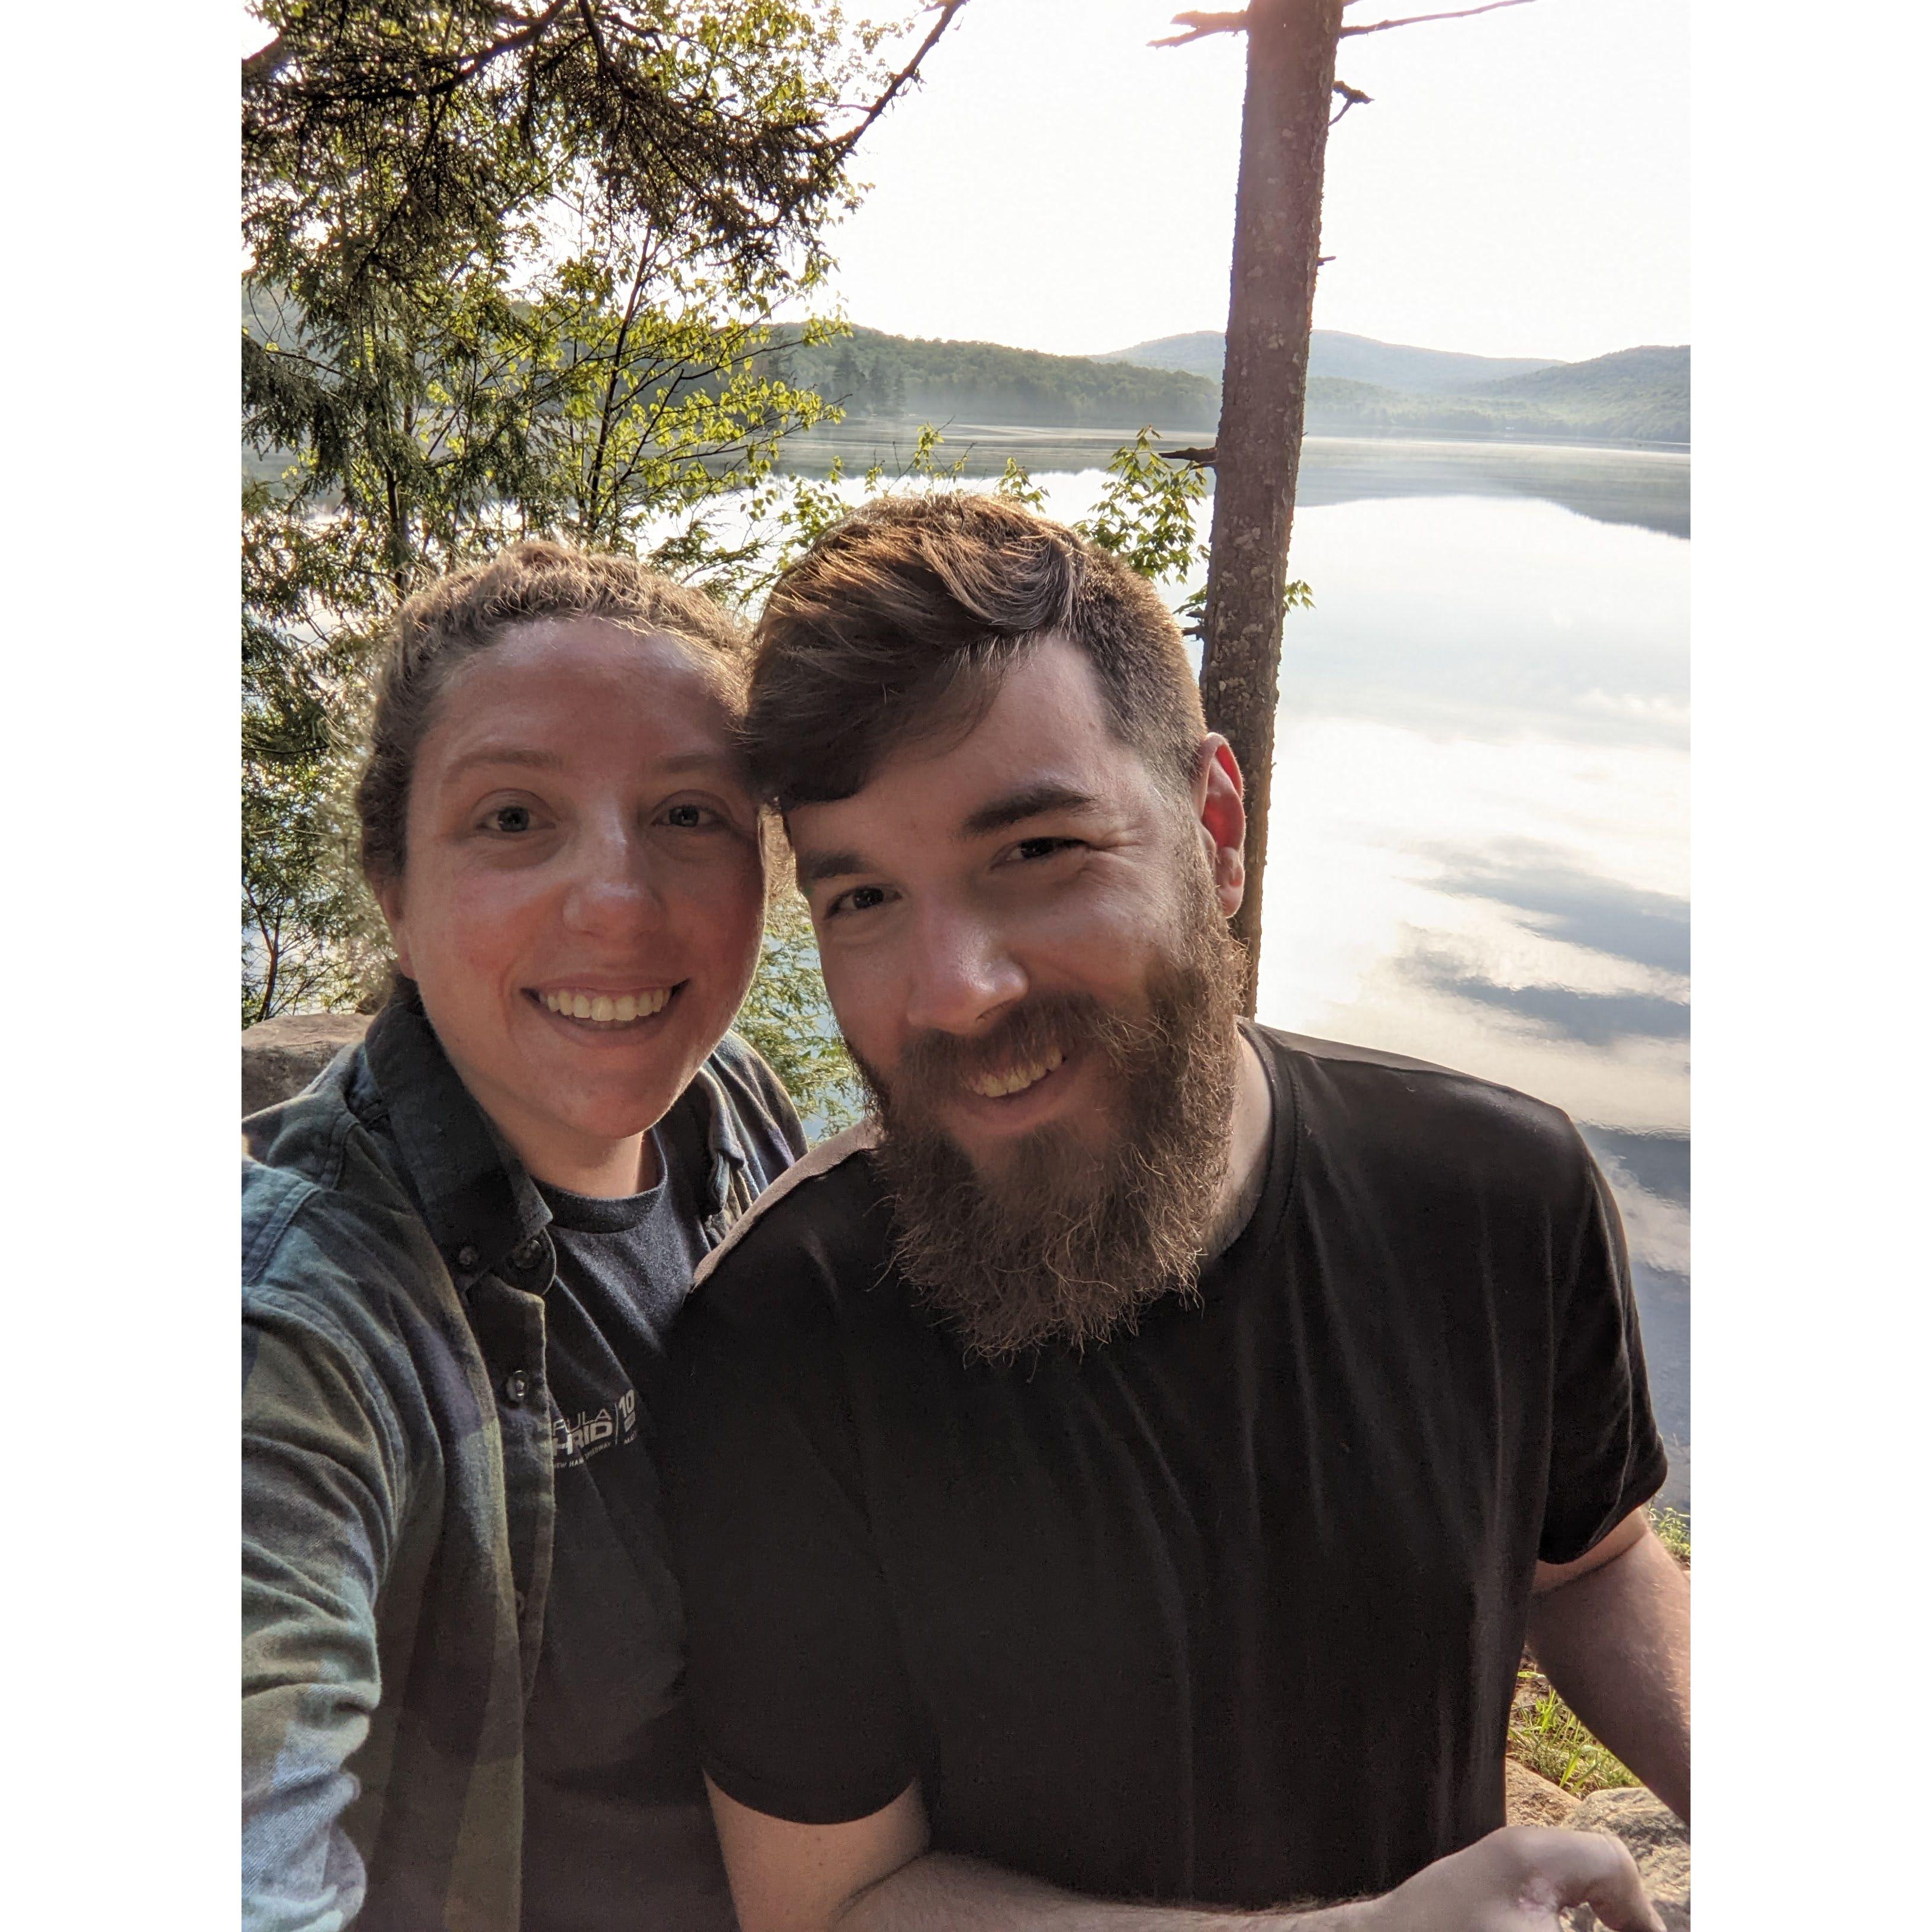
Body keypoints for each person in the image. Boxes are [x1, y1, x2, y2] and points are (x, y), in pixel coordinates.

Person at [657, 494, 1689, 1932]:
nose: (956, 988)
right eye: (865, 899)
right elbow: (836, 1905)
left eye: (1036, 854)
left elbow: (1590, 1559)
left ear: (1215, 830)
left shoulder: (1500, 1196)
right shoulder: (782, 1340)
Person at [242, 541, 806, 1931]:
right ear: (394, 887)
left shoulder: (731, 1113)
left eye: (688, 814)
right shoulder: (299, 1334)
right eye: (512, 819)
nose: (617, 901)